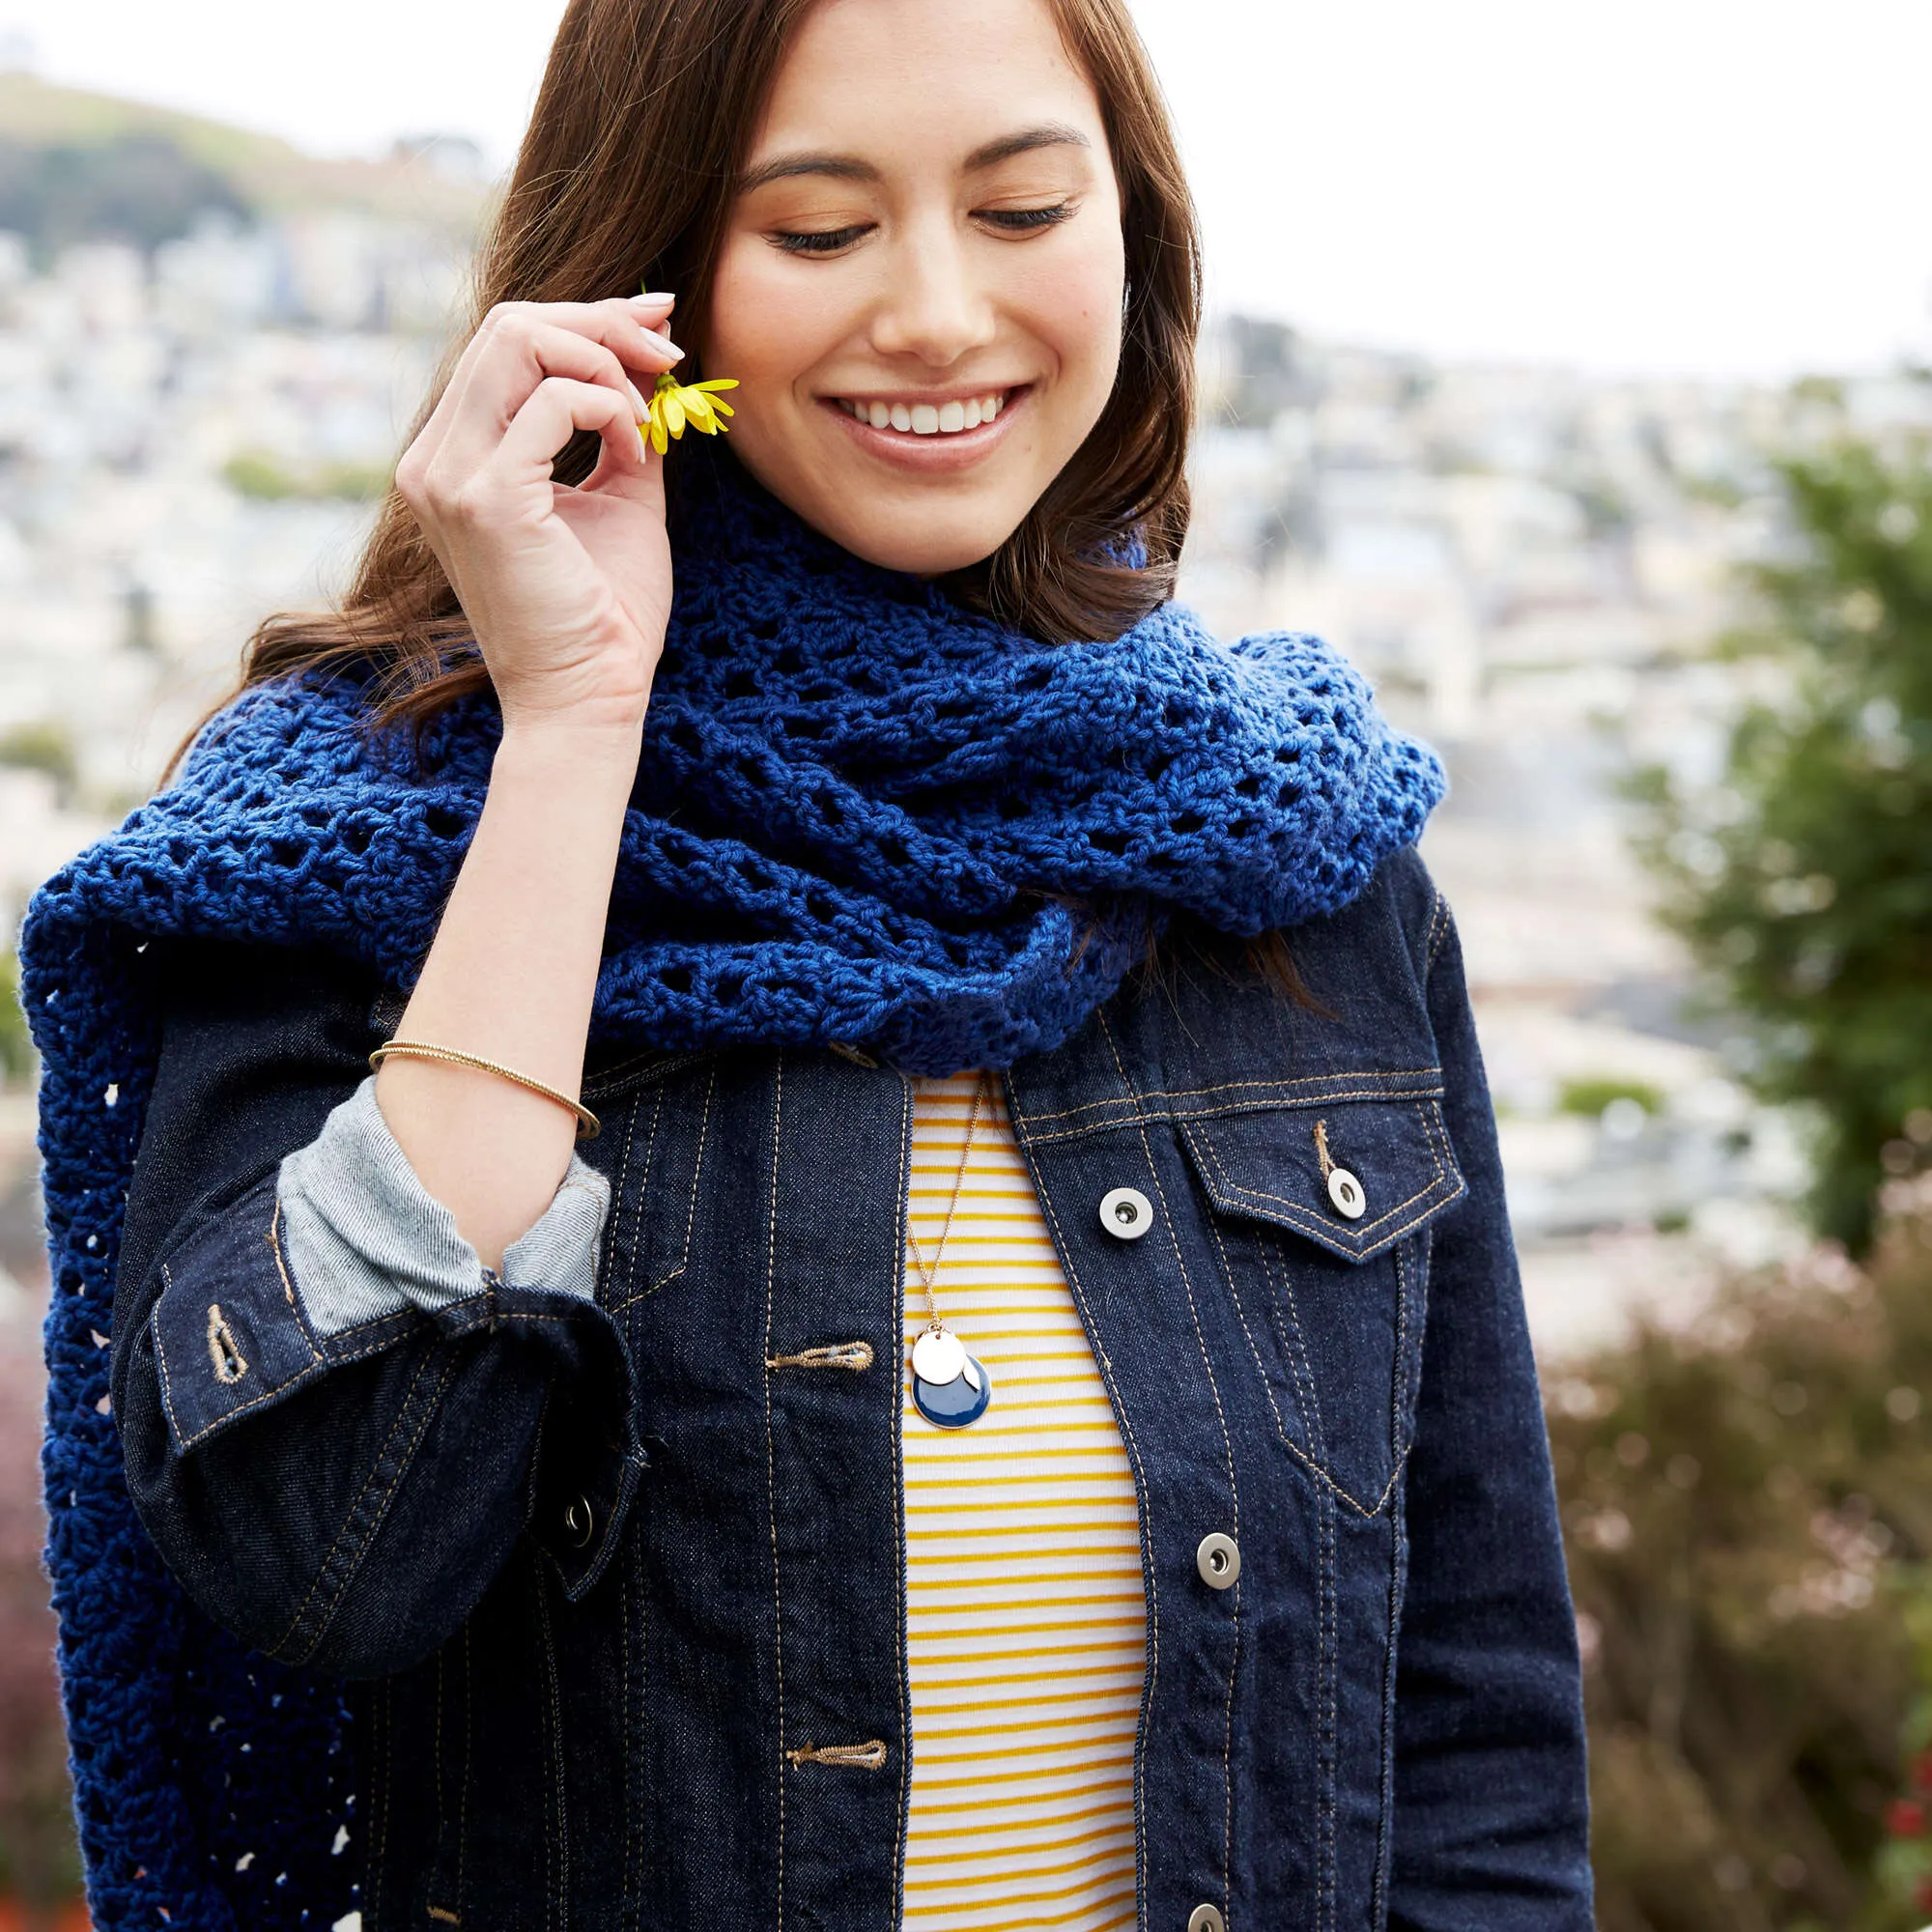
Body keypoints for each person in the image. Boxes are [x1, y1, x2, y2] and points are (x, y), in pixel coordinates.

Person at [22, 0, 1595, 1926]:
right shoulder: (371, 839)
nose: (935, 310)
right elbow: (326, 1551)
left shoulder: (1292, 858)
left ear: (1136, 235)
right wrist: (573, 734)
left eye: (1021, 205)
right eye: (820, 230)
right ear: (650, 279)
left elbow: (1475, 1737)